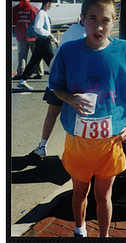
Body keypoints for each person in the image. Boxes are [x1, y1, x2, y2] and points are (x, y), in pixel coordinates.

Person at [49, 0, 126, 237]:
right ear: (82, 19)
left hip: (110, 142)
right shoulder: (68, 51)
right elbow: (57, 87)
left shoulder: (124, 51)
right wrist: (71, 98)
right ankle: (80, 229)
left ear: (113, 22)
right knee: (79, 193)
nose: (99, 26)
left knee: (103, 195)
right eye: (93, 19)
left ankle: (103, 235)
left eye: (105, 20)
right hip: (78, 141)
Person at [33, 20, 86, 156]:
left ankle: (42, 146)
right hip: (74, 79)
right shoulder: (88, 33)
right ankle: (76, 151)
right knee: (79, 116)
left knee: (52, 113)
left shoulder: (72, 28)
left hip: (58, 75)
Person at [17, 0, 58, 90]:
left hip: (41, 41)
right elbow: (37, 28)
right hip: (44, 41)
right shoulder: (41, 14)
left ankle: (23, 80)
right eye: (51, 3)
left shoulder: (42, 13)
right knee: (53, 63)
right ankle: (56, 84)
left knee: (34, 62)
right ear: (47, 3)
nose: (52, 5)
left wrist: (54, 39)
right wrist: (50, 35)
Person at [12, 0, 43, 79]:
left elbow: (13, 22)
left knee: (22, 56)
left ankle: (21, 72)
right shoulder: (34, 9)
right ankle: (39, 72)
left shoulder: (15, 9)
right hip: (33, 37)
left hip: (21, 36)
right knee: (36, 55)